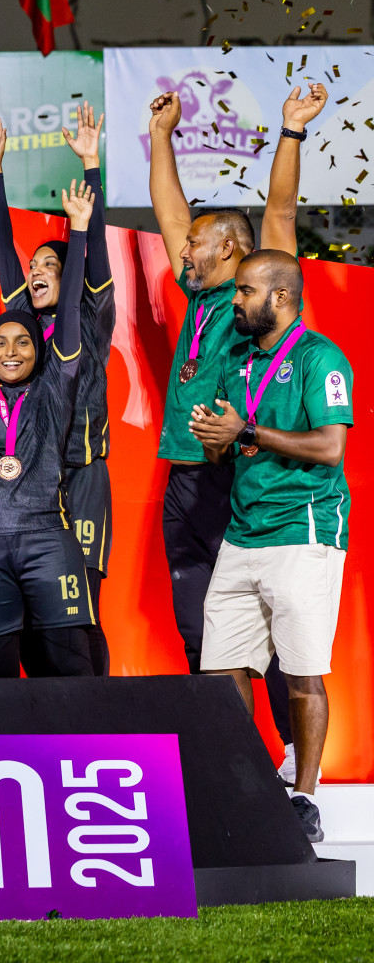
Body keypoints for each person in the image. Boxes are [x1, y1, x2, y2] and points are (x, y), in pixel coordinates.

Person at [149, 82, 325, 781]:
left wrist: (290, 131)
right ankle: (236, 761)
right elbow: (169, 210)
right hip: (183, 478)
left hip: (236, 477)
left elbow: (279, 209)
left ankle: (289, 755)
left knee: (269, 628)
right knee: (201, 629)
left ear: (230, 248)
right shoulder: (197, 295)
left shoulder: (258, 297)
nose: (182, 245)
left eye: (195, 240)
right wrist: (161, 137)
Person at [187, 250, 352, 843]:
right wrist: (214, 438)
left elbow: (331, 446)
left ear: (280, 297)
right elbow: (224, 450)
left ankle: (305, 797)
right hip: (243, 529)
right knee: (223, 668)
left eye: (246, 292)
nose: (236, 300)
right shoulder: (235, 360)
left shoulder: (319, 357)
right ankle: (246, 786)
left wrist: (247, 430)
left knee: (302, 673)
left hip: (304, 531)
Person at [0, 105, 115, 675]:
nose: (33, 270)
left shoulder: (91, 315)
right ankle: (43, 730)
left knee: (79, 609)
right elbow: (3, 247)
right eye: (32, 266)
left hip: (80, 475)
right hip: (29, 484)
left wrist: (90, 166)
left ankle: (99, 722)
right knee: (32, 614)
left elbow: (96, 249)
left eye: (48, 264)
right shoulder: (23, 333)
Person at [0, 178, 96, 677]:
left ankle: (80, 756)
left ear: (41, 350)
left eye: (23, 343)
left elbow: (71, 307)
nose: (10, 352)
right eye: (1, 343)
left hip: (46, 541)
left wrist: (78, 232)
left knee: (69, 670)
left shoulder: (56, 385)